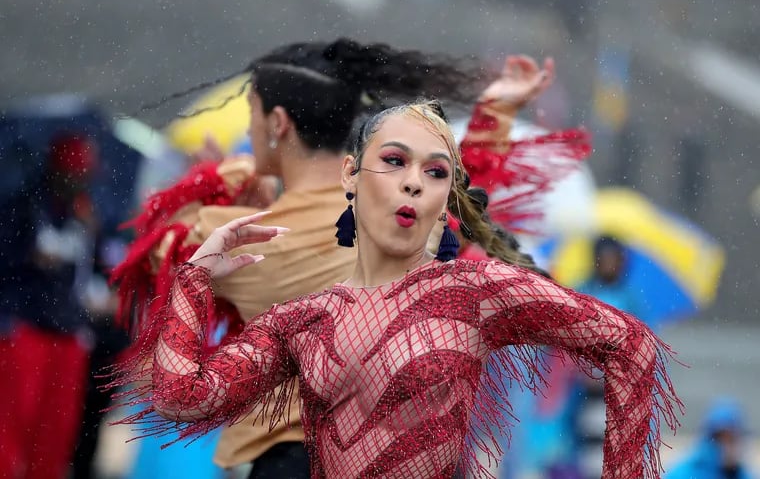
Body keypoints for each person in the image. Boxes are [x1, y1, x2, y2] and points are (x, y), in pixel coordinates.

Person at [112, 101, 680, 479]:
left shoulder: (475, 292)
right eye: (394, 160)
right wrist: (194, 281)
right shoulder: (306, 319)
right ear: (350, 176)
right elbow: (184, 397)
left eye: (436, 172)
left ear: (445, 197)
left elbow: (630, 345)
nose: (414, 179)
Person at [112, 39, 562, 477]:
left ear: (279, 124)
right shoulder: (409, 214)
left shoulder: (232, 233)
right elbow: (469, 190)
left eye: (252, 114)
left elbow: (157, 254)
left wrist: (217, 181)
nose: (248, 131)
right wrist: (497, 112)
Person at [0, 132, 98, 479]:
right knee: (12, 429)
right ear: (56, 168)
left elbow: (87, 276)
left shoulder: (83, 212)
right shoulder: (23, 204)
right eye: (74, 170)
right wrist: (31, 252)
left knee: (56, 435)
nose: (80, 179)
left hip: (68, 334)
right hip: (26, 329)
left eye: (85, 171)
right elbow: (9, 263)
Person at [665, 397, 756, 479]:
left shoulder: (745, 475)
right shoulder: (683, 474)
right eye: (721, 439)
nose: (728, 447)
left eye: (732, 440)